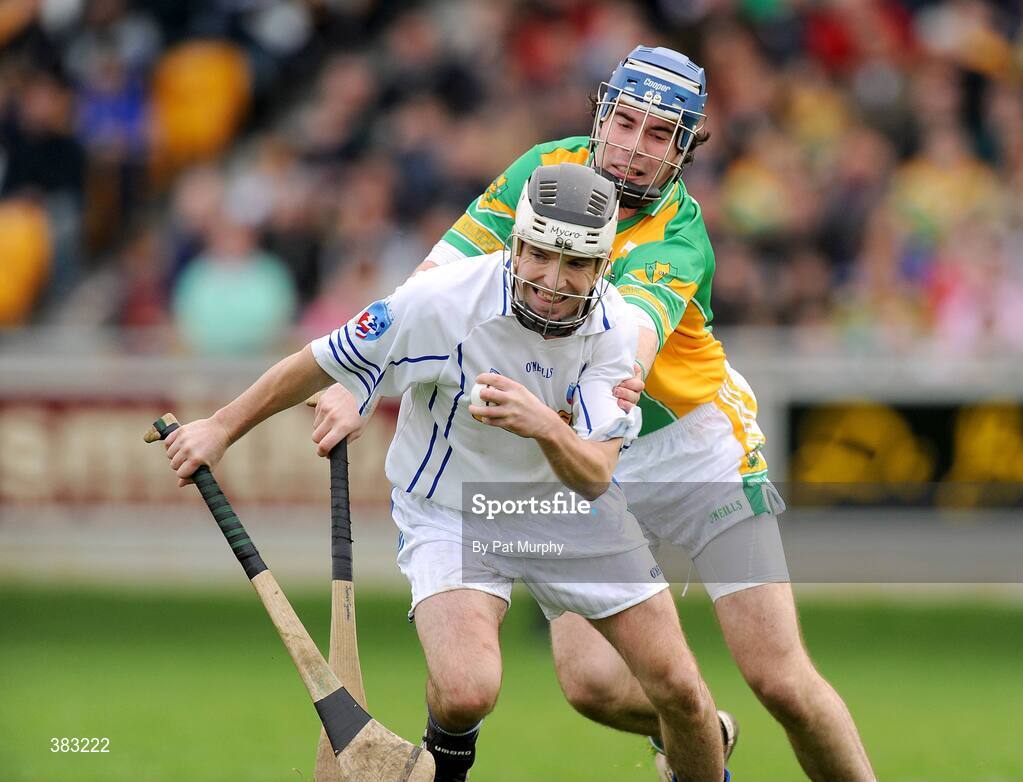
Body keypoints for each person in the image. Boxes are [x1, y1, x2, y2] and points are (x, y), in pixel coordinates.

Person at [313, 46, 875, 782]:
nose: (634, 150)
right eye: (625, 123)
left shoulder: (678, 235)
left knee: (780, 680)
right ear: (600, 115)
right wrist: (360, 377)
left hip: (693, 448)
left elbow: (627, 348)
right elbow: (433, 283)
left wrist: (591, 406)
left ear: (684, 149)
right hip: (589, 457)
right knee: (591, 686)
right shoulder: (542, 175)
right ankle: (702, 734)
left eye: (658, 136)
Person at [164, 163, 730, 782]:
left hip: (568, 509)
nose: (551, 279)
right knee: (465, 689)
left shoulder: (615, 329)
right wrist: (220, 429)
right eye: (538, 254)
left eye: (574, 265)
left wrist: (542, 423)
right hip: (450, 508)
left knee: (680, 690)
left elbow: (594, 474)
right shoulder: (440, 302)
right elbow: (318, 360)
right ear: (515, 245)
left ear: (600, 269)